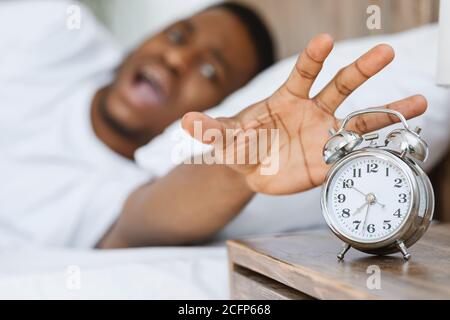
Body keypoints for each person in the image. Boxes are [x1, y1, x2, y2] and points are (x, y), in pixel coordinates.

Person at [0, 1, 427, 249]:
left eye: (210, 73)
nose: (177, 59)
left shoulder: (116, 193)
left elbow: (140, 222)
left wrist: (243, 164)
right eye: (178, 36)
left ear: (220, 105)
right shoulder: (53, 34)